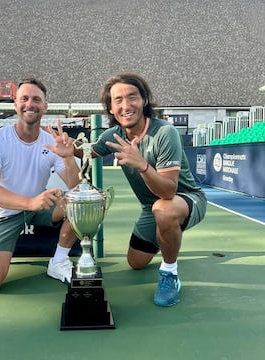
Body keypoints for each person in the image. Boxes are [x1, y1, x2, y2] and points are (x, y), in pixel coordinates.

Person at [84, 72, 207, 306]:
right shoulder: (114, 135)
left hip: (186, 199)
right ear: (110, 108)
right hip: (150, 208)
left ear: (144, 100)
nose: (126, 105)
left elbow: (169, 192)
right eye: (117, 100)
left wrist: (142, 165)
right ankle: (169, 234)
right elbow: (88, 153)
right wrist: (69, 149)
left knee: (164, 210)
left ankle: (169, 272)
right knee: (136, 262)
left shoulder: (164, 132)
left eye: (132, 97)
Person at [0, 78, 80, 292]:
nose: (29, 104)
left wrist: (69, 158)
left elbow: (75, 185)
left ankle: (59, 261)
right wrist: (30, 202)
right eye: (24, 98)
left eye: (36, 99)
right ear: (15, 103)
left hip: (39, 208)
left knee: (86, 202)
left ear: (45, 106)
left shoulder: (52, 140)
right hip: (4, 214)